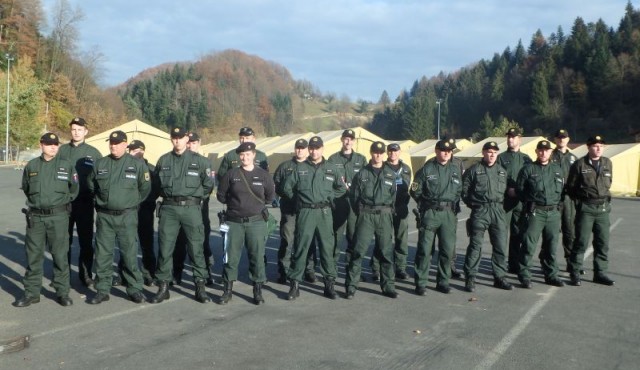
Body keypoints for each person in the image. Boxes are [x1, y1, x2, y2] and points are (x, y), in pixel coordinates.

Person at [150, 127, 214, 304]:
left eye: (180, 137)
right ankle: (163, 287)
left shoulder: (200, 161)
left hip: (191, 209)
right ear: (171, 139)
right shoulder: (163, 160)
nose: (177, 140)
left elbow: (208, 185)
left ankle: (199, 286)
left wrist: (194, 199)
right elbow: (156, 186)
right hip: (169, 208)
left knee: (196, 248)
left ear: (187, 138)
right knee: (165, 248)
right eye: (174, 137)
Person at [14, 133, 79, 307]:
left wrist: (59, 205)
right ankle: (31, 293)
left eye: (56, 144)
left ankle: (62, 292)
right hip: (36, 217)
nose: (53, 147)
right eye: (49, 144)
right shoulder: (32, 166)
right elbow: (27, 188)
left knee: (60, 255)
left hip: (58, 217)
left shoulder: (67, 166)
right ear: (41, 145)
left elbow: (74, 189)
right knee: (33, 256)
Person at [87, 131, 151, 304]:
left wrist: (130, 203)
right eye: (111, 143)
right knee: (103, 254)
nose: (113, 145)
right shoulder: (100, 164)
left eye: (117, 143)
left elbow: (145, 189)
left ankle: (134, 289)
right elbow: (91, 185)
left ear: (125, 144)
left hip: (127, 216)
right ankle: (102, 289)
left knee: (129, 254)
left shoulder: (137, 164)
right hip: (105, 217)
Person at [283, 136, 345, 300]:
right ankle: (295, 284)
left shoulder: (331, 168)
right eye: (311, 148)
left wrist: (330, 197)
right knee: (301, 248)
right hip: (306, 213)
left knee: (327, 248)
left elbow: (341, 188)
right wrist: (298, 199)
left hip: (324, 213)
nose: (314, 151)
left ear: (322, 149)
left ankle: (329, 285)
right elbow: (286, 187)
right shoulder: (300, 168)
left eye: (317, 148)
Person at [217, 142, 276, 305]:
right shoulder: (231, 174)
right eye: (242, 154)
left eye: (248, 154)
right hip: (234, 222)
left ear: (254, 155)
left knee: (257, 257)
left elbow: (270, 196)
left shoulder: (263, 175)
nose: (245, 157)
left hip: (256, 222)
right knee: (230, 257)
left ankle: (257, 291)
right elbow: (221, 195)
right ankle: (227, 291)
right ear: (239, 156)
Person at [345, 142, 398, 299]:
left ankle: (388, 286)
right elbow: (354, 197)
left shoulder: (390, 174)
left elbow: (393, 196)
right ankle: (351, 286)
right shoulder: (361, 174)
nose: (378, 155)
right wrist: (362, 212)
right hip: (366, 215)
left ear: (384, 154)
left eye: (381, 152)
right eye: (375, 152)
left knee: (386, 252)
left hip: (384, 215)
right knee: (358, 251)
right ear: (371, 153)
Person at [409, 139, 462, 295]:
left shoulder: (455, 170)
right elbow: (415, 190)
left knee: (447, 250)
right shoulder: (426, 169)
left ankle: (443, 282)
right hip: (430, 213)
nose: (447, 153)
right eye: (444, 150)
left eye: (450, 151)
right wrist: (425, 206)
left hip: (448, 215)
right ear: (436, 151)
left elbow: (458, 191)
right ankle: (421, 283)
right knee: (425, 250)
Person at [461, 141, 513, 292]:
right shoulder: (474, 170)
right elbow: (464, 191)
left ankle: (499, 277)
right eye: (489, 152)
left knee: (500, 245)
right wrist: (474, 206)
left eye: (494, 152)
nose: (491, 155)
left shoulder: (502, 171)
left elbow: (508, 193)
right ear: (483, 153)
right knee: (475, 245)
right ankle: (470, 278)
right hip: (481, 210)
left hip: (498, 210)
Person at [57, 117, 102, 287]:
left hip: (85, 202)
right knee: (63, 241)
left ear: (86, 131)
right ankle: (63, 275)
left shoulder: (94, 153)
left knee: (85, 240)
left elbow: (101, 177)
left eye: (79, 129)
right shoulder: (61, 151)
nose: (76, 132)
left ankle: (86, 274)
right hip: (65, 202)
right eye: (73, 129)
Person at [566, 135, 615, 287]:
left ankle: (600, 273)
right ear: (588, 147)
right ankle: (575, 272)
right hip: (586, 208)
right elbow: (571, 187)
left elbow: (609, 182)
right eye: (595, 145)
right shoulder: (580, 164)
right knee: (581, 241)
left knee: (602, 242)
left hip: (603, 208)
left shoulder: (607, 163)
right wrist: (581, 202)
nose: (599, 148)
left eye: (601, 145)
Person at [516, 140, 565, 288]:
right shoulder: (528, 169)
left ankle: (551, 275)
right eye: (541, 150)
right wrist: (530, 203)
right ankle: (524, 275)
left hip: (553, 213)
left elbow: (562, 190)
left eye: (546, 150)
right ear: (536, 152)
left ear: (551, 152)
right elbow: (520, 190)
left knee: (551, 246)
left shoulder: (557, 170)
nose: (543, 153)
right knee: (528, 245)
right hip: (535, 212)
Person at [172, 132, 215, 286]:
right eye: (188, 142)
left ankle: (206, 273)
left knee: (202, 244)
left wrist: (195, 198)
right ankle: (176, 273)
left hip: (199, 211)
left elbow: (209, 186)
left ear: (199, 143)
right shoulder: (178, 161)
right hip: (181, 210)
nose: (191, 145)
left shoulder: (204, 163)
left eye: (194, 143)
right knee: (179, 243)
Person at [273, 138, 317, 284]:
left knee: (308, 241)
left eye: (303, 148)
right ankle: (284, 271)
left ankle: (309, 270)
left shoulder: (312, 166)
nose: (300, 150)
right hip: (289, 210)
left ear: (307, 149)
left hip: (307, 211)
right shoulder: (285, 166)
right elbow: (277, 186)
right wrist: (291, 197)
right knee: (287, 240)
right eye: (297, 147)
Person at [369, 143, 411, 280]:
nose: (393, 153)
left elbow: (408, 187)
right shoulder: (382, 167)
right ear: (387, 152)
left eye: (396, 150)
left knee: (402, 238)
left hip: (400, 206)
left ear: (400, 152)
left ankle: (400, 268)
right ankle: (376, 268)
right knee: (382, 239)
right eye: (391, 151)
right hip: (384, 208)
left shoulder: (406, 169)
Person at [328, 129, 367, 268]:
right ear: (341, 140)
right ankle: (331, 267)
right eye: (346, 138)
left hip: (354, 204)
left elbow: (365, 181)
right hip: (338, 202)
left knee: (353, 236)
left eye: (351, 139)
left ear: (354, 141)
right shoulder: (333, 159)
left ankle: (353, 268)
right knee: (336, 236)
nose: (348, 141)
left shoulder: (361, 159)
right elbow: (329, 181)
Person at [497, 128, 532, 274]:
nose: (510, 139)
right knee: (500, 234)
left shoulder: (526, 159)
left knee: (517, 233)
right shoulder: (500, 157)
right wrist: (507, 190)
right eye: (509, 137)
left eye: (513, 137)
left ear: (520, 139)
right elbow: (496, 178)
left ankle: (514, 264)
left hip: (520, 202)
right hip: (505, 201)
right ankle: (498, 265)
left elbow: (531, 179)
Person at [127, 140, 159, 286]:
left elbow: (157, 189)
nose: (132, 153)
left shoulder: (151, 169)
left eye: (135, 150)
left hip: (145, 210)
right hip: (128, 211)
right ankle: (125, 274)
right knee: (127, 243)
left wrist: (147, 202)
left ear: (142, 151)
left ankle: (148, 273)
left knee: (146, 244)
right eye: (130, 150)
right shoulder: (125, 167)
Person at [550, 129, 580, 273]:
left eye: (564, 137)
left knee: (569, 232)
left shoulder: (574, 158)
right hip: (553, 200)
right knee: (551, 233)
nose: (562, 140)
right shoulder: (549, 155)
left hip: (568, 200)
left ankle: (571, 263)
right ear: (555, 139)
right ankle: (549, 263)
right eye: (559, 137)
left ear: (568, 140)